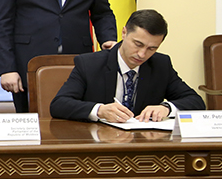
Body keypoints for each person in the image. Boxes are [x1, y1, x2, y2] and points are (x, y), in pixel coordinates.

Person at [50, 9, 205, 123]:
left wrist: (167, 108)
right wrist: (100, 110)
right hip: (98, 144)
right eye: (138, 44)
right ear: (124, 33)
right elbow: (59, 104)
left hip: (143, 146)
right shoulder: (89, 64)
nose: (142, 54)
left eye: (152, 48)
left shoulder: (160, 64)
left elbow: (196, 101)